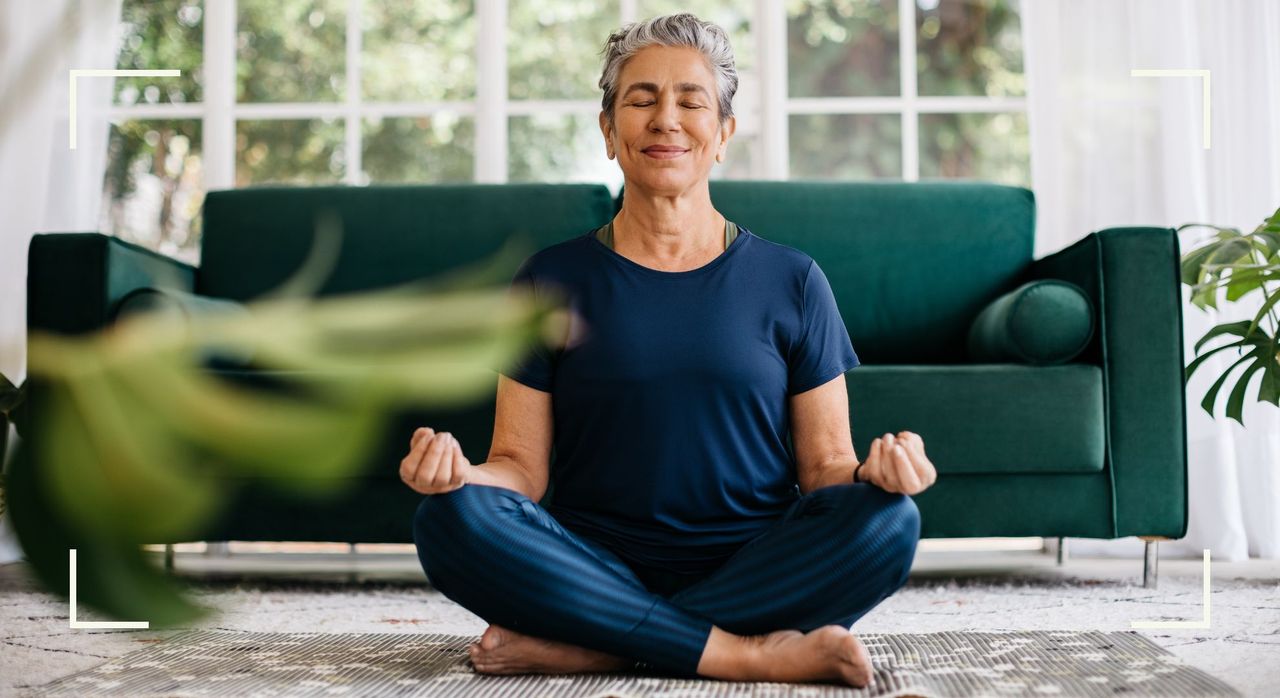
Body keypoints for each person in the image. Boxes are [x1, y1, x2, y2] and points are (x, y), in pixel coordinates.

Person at [402, 13, 936, 688]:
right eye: (641, 99)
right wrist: (459, 478)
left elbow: (827, 468)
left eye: (691, 101)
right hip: (589, 565)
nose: (666, 120)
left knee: (890, 521)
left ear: (723, 135)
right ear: (608, 131)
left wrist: (877, 475)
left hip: (755, 564)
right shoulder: (550, 279)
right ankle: (742, 654)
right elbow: (519, 470)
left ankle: (605, 643)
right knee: (448, 518)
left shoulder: (793, 280)